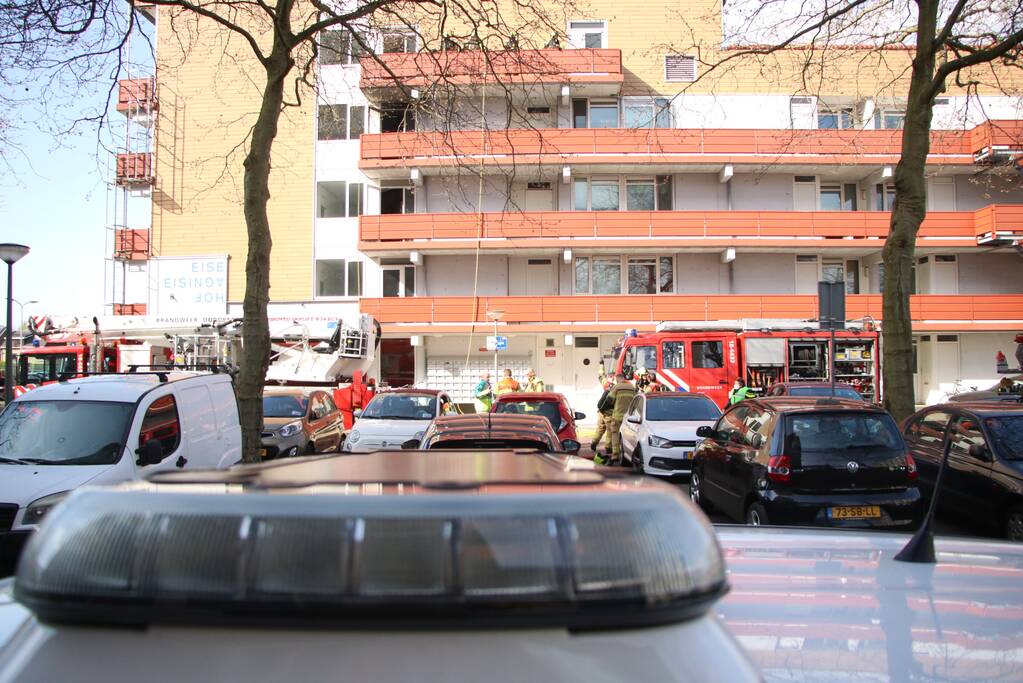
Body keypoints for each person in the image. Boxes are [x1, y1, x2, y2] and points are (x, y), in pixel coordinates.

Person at [606, 372, 637, 466]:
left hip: (617, 417)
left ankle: (615, 455)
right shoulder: (632, 387)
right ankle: (628, 454)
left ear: (618, 378)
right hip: (629, 418)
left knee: (615, 435)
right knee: (628, 436)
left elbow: (609, 400)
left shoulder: (616, 387)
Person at [591, 377, 614, 460]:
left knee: (600, 428)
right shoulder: (614, 394)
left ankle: (594, 442)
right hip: (609, 415)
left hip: (600, 413)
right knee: (610, 431)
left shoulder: (606, 391)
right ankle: (608, 447)